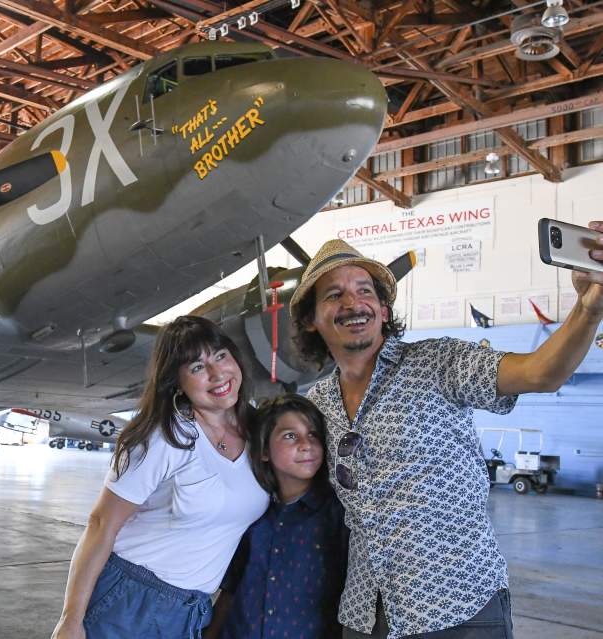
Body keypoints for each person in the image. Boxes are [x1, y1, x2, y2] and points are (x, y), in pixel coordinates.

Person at [289, 228, 603, 639]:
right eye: (333, 295)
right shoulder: (315, 406)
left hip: (461, 609)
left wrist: (589, 307)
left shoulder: (439, 362)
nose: (353, 303)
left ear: (384, 311)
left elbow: (542, 372)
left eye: (365, 291)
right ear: (312, 320)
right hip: (367, 616)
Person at [51, 316, 270, 639]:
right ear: (177, 381)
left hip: (191, 610)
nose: (216, 373)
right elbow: (101, 524)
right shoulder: (166, 436)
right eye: (196, 367)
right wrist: (71, 619)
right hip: (130, 600)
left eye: (220, 355)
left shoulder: (257, 431)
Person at [205, 393, 349, 639]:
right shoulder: (252, 513)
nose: (306, 444)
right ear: (264, 451)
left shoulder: (338, 516)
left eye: (313, 434)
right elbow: (230, 591)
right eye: (290, 435)